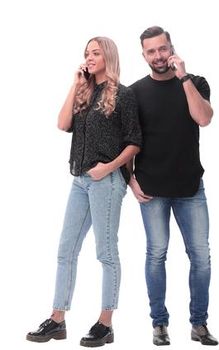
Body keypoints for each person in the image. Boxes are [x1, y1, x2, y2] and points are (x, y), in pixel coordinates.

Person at [27, 36, 141, 348]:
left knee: (105, 252)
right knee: (66, 250)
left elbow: (134, 142)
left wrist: (108, 167)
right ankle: (57, 320)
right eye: (86, 54)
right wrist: (75, 83)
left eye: (95, 53)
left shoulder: (124, 95)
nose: (89, 58)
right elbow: (62, 124)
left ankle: (106, 324)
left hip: (106, 181)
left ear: (108, 56)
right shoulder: (84, 90)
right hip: (78, 180)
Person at [128, 26, 219, 346]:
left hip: (190, 187)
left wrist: (184, 79)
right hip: (151, 188)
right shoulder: (134, 93)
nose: (158, 56)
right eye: (151, 51)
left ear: (172, 49)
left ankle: (199, 324)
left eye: (162, 49)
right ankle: (159, 324)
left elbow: (203, 118)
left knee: (201, 257)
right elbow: (128, 141)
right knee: (156, 254)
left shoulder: (195, 82)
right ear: (144, 55)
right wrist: (130, 180)